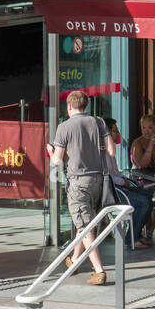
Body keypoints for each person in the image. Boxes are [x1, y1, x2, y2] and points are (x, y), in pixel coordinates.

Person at [45, 90, 112, 285]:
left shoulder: (64, 126)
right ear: (86, 106)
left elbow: (57, 161)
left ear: (69, 106)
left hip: (77, 182)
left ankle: (99, 271)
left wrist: (50, 151)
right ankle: (74, 260)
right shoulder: (99, 122)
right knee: (85, 221)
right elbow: (111, 151)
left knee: (84, 226)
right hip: (98, 181)